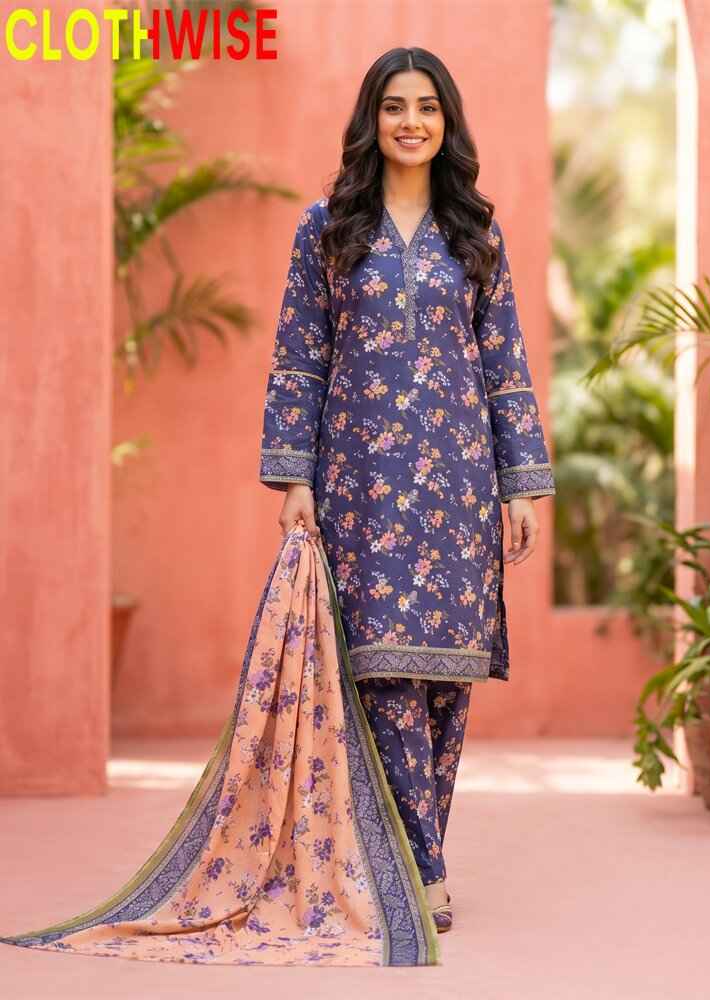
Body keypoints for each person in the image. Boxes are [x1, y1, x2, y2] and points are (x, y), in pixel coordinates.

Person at [259, 46, 555, 934]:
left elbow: (505, 366)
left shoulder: (477, 236)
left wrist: (521, 487)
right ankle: (420, 874)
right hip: (362, 486)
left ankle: (406, 856)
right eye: (395, 107)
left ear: (447, 123)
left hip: (459, 487)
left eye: (428, 107)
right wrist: (295, 477)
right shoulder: (328, 228)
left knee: (442, 683)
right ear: (372, 120)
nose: (412, 122)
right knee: (381, 674)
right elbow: (299, 359)